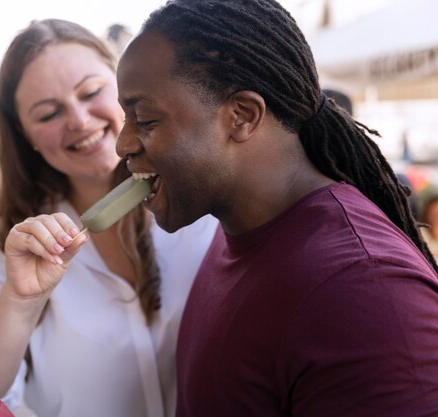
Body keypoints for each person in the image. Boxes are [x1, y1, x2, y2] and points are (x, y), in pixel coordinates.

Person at [114, 1, 438, 416]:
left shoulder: (364, 290)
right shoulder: (232, 228)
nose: (122, 144)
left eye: (144, 120)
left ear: (242, 116)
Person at [0, 19, 217, 417]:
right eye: (48, 114)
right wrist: (19, 302)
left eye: (92, 92)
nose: (79, 120)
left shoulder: (203, 195)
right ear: (24, 134)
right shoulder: (15, 242)